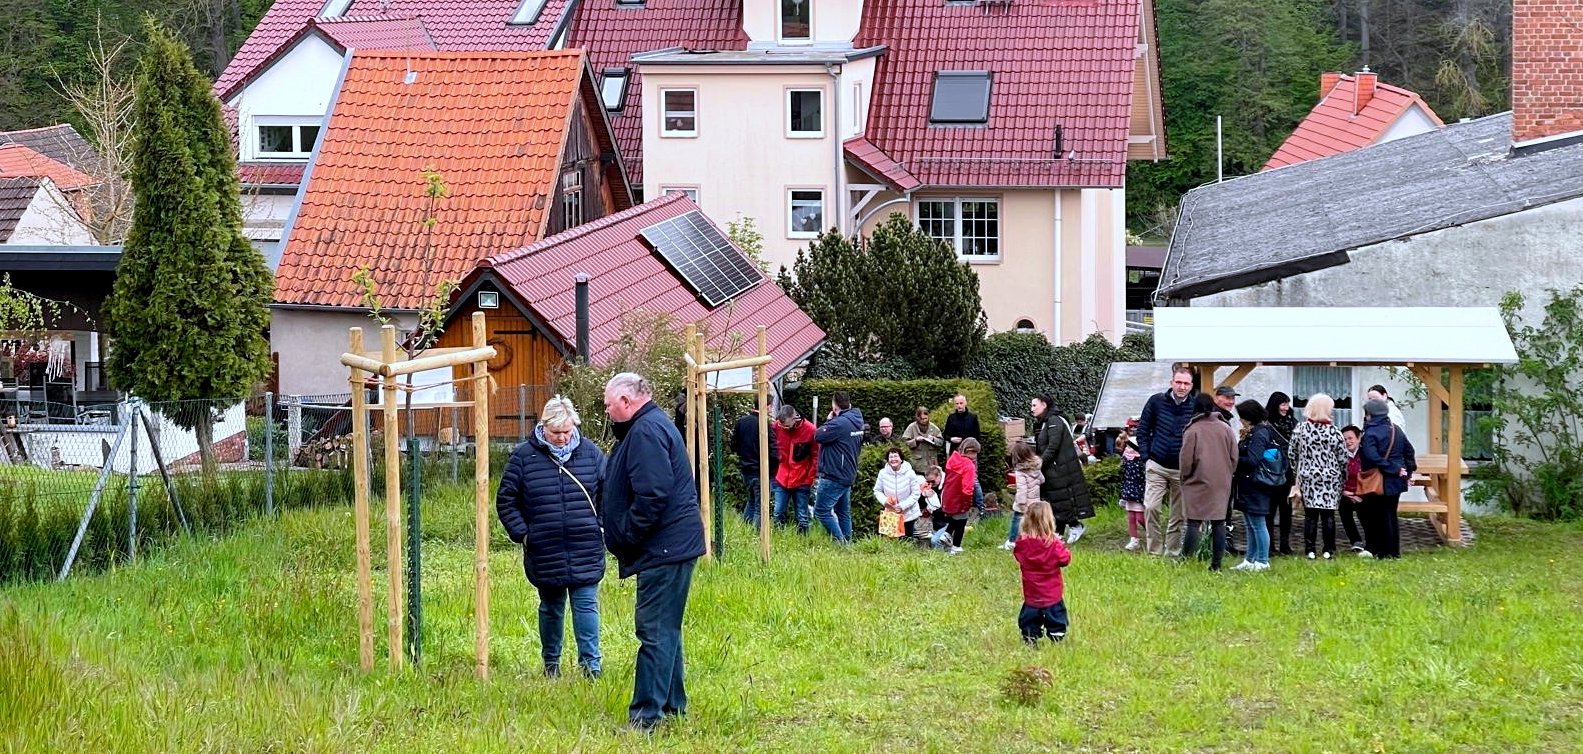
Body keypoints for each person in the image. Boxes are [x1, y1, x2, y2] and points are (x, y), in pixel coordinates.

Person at [599, 373, 705, 732]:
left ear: (627, 402)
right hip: (672, 545)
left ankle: (646, 717)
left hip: (664, 546)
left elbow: (653, 494)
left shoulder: (645, 432)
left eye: (609, 405)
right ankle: (673, 704)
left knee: (654, 630)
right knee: (666, 629)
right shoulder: (651, 426)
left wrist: (627, 534)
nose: (607, 411)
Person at [495, 396, 608, 678]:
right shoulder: (523, 457)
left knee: (586, 606)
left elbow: (610, 493)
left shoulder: (592, 454)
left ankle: (591, 667)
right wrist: (523, 534)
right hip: (544, 548)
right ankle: (551, 665)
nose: (561, 438)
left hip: (585, 545)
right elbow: (506, 499)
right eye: (555, 432)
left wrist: (601, 526)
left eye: (567, 432)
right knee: (551, 608)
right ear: (543, 427)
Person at [1134, 366, 1197, 556]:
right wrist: (1146, 457)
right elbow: (1142, 430)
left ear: (1191, 386)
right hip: (1157, 464)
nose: (1182, 386)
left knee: (1178, 514)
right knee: (1151, 507)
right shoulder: (1156, 401)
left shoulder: (1195, 406)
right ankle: (1154, 551)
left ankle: (1173, 551)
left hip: (1182, 469)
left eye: (1186, 383)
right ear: (1171, 383)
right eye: (1178, 382)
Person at [1179, 393, 1236, 571]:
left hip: (1197, 481)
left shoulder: (1193, 429)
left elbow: (1186, 459)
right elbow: (1234, 457)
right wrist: (1227, 473)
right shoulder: (1225, 428)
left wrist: (1185, 476)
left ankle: (1185, 560)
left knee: (1194, 522)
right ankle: (1216, 564)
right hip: (1222, 481)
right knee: (1219, 522)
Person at [1290, 393, 1349, 560]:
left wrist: (1297, 472)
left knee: (1311, 515)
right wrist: (1343, 475)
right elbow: (1343, 457)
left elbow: (1292, 453)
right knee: (1328, 515)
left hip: (1308, 477)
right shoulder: (1334, 431)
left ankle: (1310, 549)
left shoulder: (1301, 429)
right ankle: (1328, 549)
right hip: (1330, 477)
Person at [1029, 394, 1092, 543]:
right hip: (1052, 468)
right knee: (1055, 502)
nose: (1031, 409)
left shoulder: (1054, 421)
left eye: (1034, 405)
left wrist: (1039, 464)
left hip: (1060, 469)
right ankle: (1059, 534)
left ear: (1044, 405)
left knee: (1061, 501)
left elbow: (1053, 447)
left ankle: (1075, 526)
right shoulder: (1044, 422)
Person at [1359, 398, 1416, 559]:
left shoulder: (1370, 432)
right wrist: (1407, 472)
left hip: (1380, 480)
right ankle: (1394, 551)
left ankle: (1383, 552)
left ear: (1369, 414)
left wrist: (1393, 469)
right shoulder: (1395, 429)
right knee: (1391, 514)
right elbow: (1409, 452)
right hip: (1396, 481)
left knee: (1379, 516)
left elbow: (1371, 456)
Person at [1013, 500, 1073, 643]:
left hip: (1031, 592)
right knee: (1056, 616)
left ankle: (1030, 636)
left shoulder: (1022, 543)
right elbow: (1065, 559)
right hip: (1052, 592)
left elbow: (1018, 556)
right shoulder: (1053, 544)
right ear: (1049, 521)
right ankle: (1056, 636)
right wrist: (1061, 544)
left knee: (1030, 616)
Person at [813, 390, 865, 543]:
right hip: (847, 472)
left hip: (834, 474)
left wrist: (829, 421)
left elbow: (818, 436)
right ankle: (847, 543)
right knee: (843, 512)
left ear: (835, 407)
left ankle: (841, 543)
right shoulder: (856, 420)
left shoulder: (838, 423)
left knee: (821, 511)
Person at [1231, 400, 1276, 571]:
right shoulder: (1254, 432)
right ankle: (1250, 559)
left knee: (1258, 523)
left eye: (1242, 416)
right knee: (1250, 523)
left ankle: (1263, 561)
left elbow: (1253, 460)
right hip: (1247, 483)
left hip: (1256, 484)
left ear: (1249, 417)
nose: (1240, 420)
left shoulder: (1260, 434)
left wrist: (1234, 460)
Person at [771, 405, 817, 533]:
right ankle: (778, 538)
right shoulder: (777, 426)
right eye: (781, 425)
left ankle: (803, 541)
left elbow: (815, 456)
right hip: (781, 477)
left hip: (802, 479)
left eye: (786, 425)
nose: (783, 428)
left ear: (794, 418)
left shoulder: (810, 430)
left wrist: (809, 478)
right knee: (778, 512)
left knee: (802, 516)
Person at [1264, 391, 1297, 556]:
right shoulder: (1266, 424)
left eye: (1287, 404)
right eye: (1283, 404)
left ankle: (1285, 543)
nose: (1286, 408)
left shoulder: (1292, 422)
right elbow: (1264, 448)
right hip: (1272, 471)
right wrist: (1276, 458)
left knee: (1286, 509)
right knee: (1269, 510)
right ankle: (1269, 545)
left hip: (1288, 472)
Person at [733, 405, 778, 526]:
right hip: (760, 470)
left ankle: (745, 529)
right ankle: (757, 535)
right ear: (767, 406)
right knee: (761, 506)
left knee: (752, 500)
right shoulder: (764, 424)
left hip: (746, 469)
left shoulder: (741, 422)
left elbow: (734, 444)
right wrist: (772, 471)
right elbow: (773, 450)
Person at [944, 394, 986, 516]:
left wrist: (975, 451)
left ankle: (980, 506)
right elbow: (945, 434)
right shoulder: (951, 418)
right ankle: (957, 506)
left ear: (965, 403)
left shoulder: (972, 417)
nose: (959, 406)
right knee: (956, 480)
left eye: (961, 403)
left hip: (970, 455)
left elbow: (978, 436)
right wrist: (952, 439)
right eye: (957, 403)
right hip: (956, 454)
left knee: (973, 480)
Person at [1001, 439, 1044, 550]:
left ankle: (1012, 541)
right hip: (1035, 501)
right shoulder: (1036, 467)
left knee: (1016, 520)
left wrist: (1021, 503)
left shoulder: (1021, 471)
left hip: (1024, 503)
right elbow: (1042, 480)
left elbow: (1021, 489)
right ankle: (1036, 541)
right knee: (1034, 522)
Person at [939, 438, 980, 554]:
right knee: (961, 522)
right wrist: (968, 503)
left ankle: (947, 534)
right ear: (972, 452)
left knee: (955, 518)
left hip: (948, 495)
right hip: (961, 497)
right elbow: (968, 488)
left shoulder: (953, 458)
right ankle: (956, 547)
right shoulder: (969, 466)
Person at [873, 447, 922, 538]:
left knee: (907, 540)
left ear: (901, 459)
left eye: (896, 456)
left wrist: (903, 506)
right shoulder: (882, 473)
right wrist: (885, 501)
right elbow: (877, 490)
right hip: (891, 514)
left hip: (908, 514)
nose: (893, 459)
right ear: (887, 460)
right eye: (891, 457)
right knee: (891, 541)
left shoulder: (910, 473)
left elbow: (916, 493)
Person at [1117, 428, 1147, 551]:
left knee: (1140, 517)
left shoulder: (1141, 463)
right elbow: (1123, 478)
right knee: (1131, 517)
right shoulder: (1126, 462)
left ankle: (1153, 534)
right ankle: (1134, 539)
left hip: (1139, 493)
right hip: (1128, 492)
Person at [1339, 425, 1368, 553]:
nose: (1348, 442)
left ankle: (1370, 542)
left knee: (1365, 513)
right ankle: (1355, 541)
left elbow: (1369, 477)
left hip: (1363, 493)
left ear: (1358, 438)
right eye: (1345, 439)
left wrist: (1358, 494)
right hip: (1345, 493)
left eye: (1351, 438)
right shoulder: (1340, 455)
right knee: (1344, 511)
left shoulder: (1366, 455)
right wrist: (1344, 492)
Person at [902, 406, 945, 471]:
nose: (924, 420)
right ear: (917, 418)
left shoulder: (933, 427)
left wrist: (933, 439)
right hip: (917, 464)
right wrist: (915, 440)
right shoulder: (911, 427)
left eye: (926, 418)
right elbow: (904, 443)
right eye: (922, 419)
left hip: (932, 463)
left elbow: (941, 442)